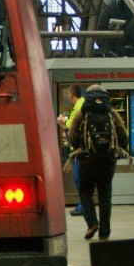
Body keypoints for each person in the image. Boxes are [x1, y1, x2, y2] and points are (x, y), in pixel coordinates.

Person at [67, 84, 130, 241]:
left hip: (87, 160)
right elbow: (123, 135)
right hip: (107, 161)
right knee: (105, 195)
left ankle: (92, 223)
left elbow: (72, 134)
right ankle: (105, 232)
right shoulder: (112, 113)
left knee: (85, 191)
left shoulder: (81, 114)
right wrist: (115, 150)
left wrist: (80, 148)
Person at [56, 84, 85, 216]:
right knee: (79, 179)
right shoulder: (81, 105)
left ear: (71, 94)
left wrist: (63, 121)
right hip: (79, 149)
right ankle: (83, 205)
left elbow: (74, 124)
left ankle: (83, 206)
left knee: (79, 179)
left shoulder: (79, 106)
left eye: (68, 93)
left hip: (80, 150)